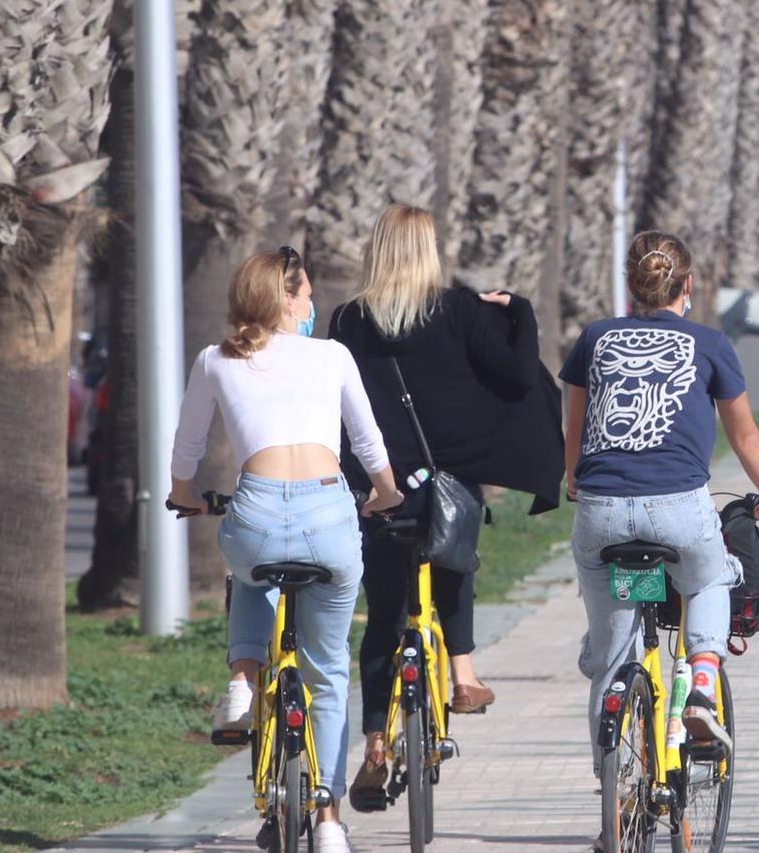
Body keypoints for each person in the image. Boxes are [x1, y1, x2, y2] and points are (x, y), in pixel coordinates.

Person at [329, 204, 564, 808]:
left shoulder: (348, 320)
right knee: (453, 563)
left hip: (379, 488)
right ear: (428, 251)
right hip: (446, 481)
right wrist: (521, 312)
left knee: (384, 615)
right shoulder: (458, 309)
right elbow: (517, 378)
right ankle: (463, 675)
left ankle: (375, 745)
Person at [169, 247, 402, 853]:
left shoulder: (216, 359)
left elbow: (186, 446)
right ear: (288, 298)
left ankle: (243, 684)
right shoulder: (332, 354)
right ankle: (328, 823)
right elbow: (368, 441)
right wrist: (385, 493)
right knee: (327, 675)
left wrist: (184, 495)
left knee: (248, 575)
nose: (311, 304)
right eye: (305, 294)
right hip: (329, 512)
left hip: (256, 509)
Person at [563, 231, 759, 753]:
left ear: (630, 286)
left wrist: (575, 479)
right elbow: (745, 436)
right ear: (686, 286)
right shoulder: (711, 344)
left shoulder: (594, 337)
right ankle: (702, 688)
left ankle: (614, 802)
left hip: (601, 511)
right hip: (678, 509)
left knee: (611, 653)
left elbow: (575, 426)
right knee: (711, 579)